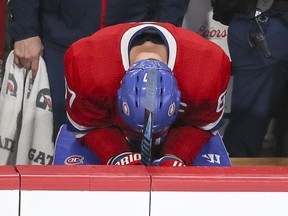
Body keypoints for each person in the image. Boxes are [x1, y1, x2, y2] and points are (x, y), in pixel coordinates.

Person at [7, 0, 190, 140]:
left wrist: (160, 35)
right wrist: (25, 30)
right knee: (57, 136)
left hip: (131, 43)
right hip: (59, 41)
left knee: (128, 138)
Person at [63, 22, 231, 166]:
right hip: (114, 128)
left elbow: (201, 125)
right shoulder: (86, 63)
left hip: (175, 130)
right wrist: (116, 153)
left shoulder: (209, 67)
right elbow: (87, 125)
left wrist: (176, 154)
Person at [212, 0, 288, 157]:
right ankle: (235, 177)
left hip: (260, 22)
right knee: (249, 120)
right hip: (264, 24)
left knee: (251, 118)